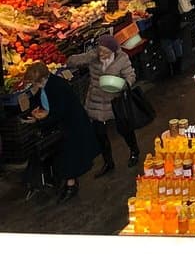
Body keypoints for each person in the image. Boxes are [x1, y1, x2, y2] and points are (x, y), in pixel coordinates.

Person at [22, 62, 99, 202]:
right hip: (65, 127)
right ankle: (70, 183)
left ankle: (71, 186)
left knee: (69, 157)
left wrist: (40, 120)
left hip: (72, 127)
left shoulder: (57, 87)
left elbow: (59, 113)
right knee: (66, 157)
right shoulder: (47, 85)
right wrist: (38, 111)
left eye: (34, 82)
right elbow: (45, 104)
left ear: (41, 80)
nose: (33, 85)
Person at [67, 35, 139, 177]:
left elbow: (130, 76)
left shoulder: (121, 59)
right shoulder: (94, 57)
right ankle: (108, 162)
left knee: (124, 128)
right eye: (100, 51)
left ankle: (134, 151)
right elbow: (71, 61)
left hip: (115, 101)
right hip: (96, 101)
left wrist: (124, 85)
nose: (102, 55)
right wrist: (88, 57)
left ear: (113, 51)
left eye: (106, 52)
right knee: (100, 134)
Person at [149, 0, 190, 76]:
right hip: (175, 17)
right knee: (176, 41)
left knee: (167, 45)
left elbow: (162, 8)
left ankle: (173, 68)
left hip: (165, 23)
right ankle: (179, 66)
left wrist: (150, 9)